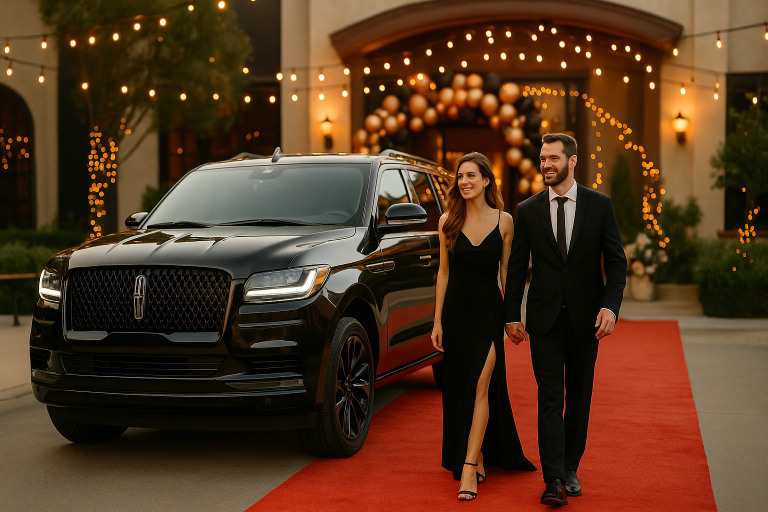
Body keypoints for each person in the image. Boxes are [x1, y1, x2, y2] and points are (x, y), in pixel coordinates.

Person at [504, 133, 627, 506]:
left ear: (573, 161)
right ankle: (553, 479)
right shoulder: (528, 209)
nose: (546, 165)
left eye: (554, 158)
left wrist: (610, 306)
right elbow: (516, 267)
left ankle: (571, 466)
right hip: (542, 321)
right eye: (543, 159)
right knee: (549, 398)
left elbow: (617, 262)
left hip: (585, 320)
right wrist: (511, 313)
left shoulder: (599, 205)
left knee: (580, 397)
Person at [432, 152, 535, 502]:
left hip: (489, 315)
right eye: (460, 176)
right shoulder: (447, 220)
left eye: (471, 176)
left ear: (487, 181)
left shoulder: (505, 221)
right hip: (456, 315)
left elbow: (507, 273)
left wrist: (513, 316)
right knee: (462, 388)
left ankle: (466, 469)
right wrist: (436, 321)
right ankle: (476, 456)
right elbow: (443, 273)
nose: (464, 181)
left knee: (480, 386)